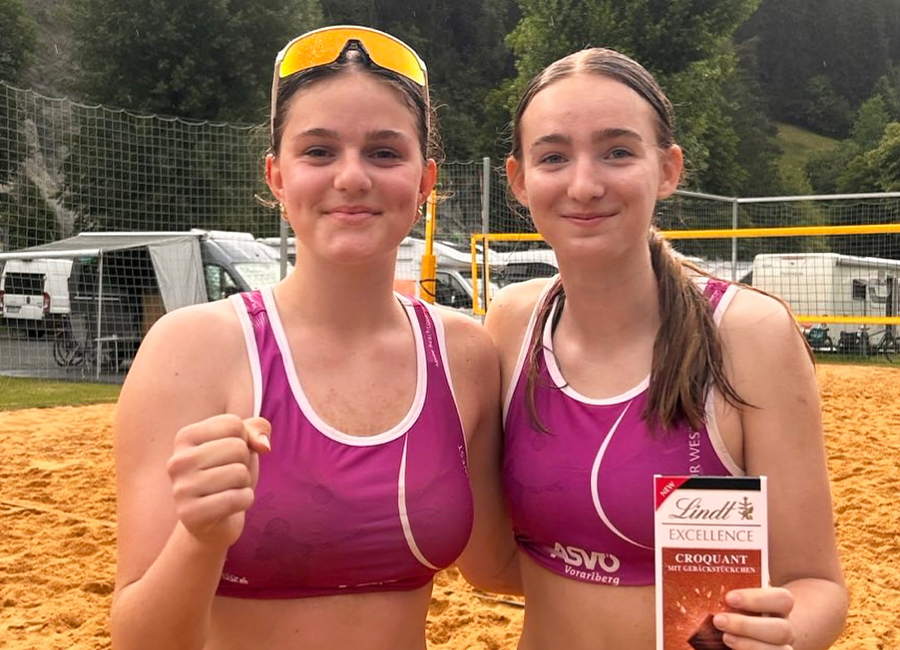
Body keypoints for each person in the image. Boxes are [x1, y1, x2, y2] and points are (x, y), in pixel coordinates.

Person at [110, 25, 512, 650]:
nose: (351, 177)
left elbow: (498, 567)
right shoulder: (192, 349)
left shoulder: (465, 355)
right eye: (318, 151)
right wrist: (200, 538)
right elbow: (140, 638)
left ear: (426, 179)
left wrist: (700, 574)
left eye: (384, 152)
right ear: (275, 176)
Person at [483, 47, 848, 650]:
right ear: (519, 180)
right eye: (553, 156)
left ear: (669, 169)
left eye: (617, 152)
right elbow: (490, 564)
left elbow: (816, 585)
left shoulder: (748, 334)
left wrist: (784, 635)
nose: (584, 183)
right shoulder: (512, 323)